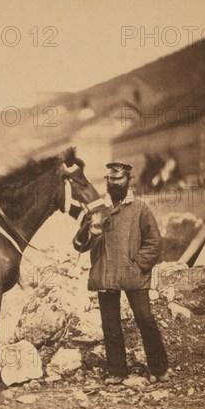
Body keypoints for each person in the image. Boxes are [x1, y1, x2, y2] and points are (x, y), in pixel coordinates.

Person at [73, 162, 169, 384]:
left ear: (128, 180)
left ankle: (160, 368)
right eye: (111, 179)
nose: (115, 183)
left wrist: (136, 265)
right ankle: (117, 372)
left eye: (119, 179)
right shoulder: (97, 211)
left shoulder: (140, 209)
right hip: (106, 275)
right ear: (107, 182)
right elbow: (79, 245)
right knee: (111, 326)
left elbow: (154, 242)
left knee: (145, 320)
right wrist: (91, 231)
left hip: (133, 275)